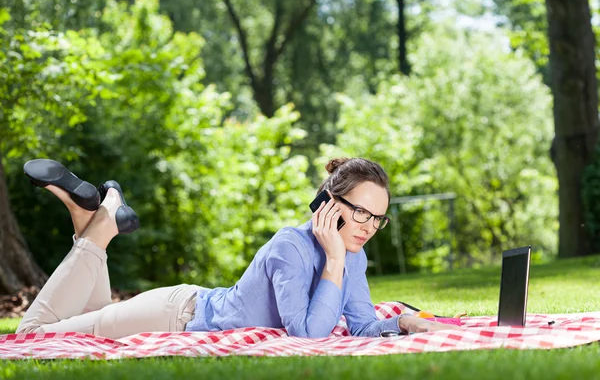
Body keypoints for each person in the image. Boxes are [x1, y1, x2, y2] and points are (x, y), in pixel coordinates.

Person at [16, 157, 458, 339]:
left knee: (71, 323)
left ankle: (86, 219)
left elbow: (360, 327)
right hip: (178, 314)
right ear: (328, 204)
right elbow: (309, 333)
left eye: (377, 218)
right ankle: (105, 220)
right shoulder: (291, 247)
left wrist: (402, 323)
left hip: (181, 309)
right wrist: (336, 261)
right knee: (32, 337)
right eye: (360, 212)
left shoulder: (353, 256)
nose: (369, 227)